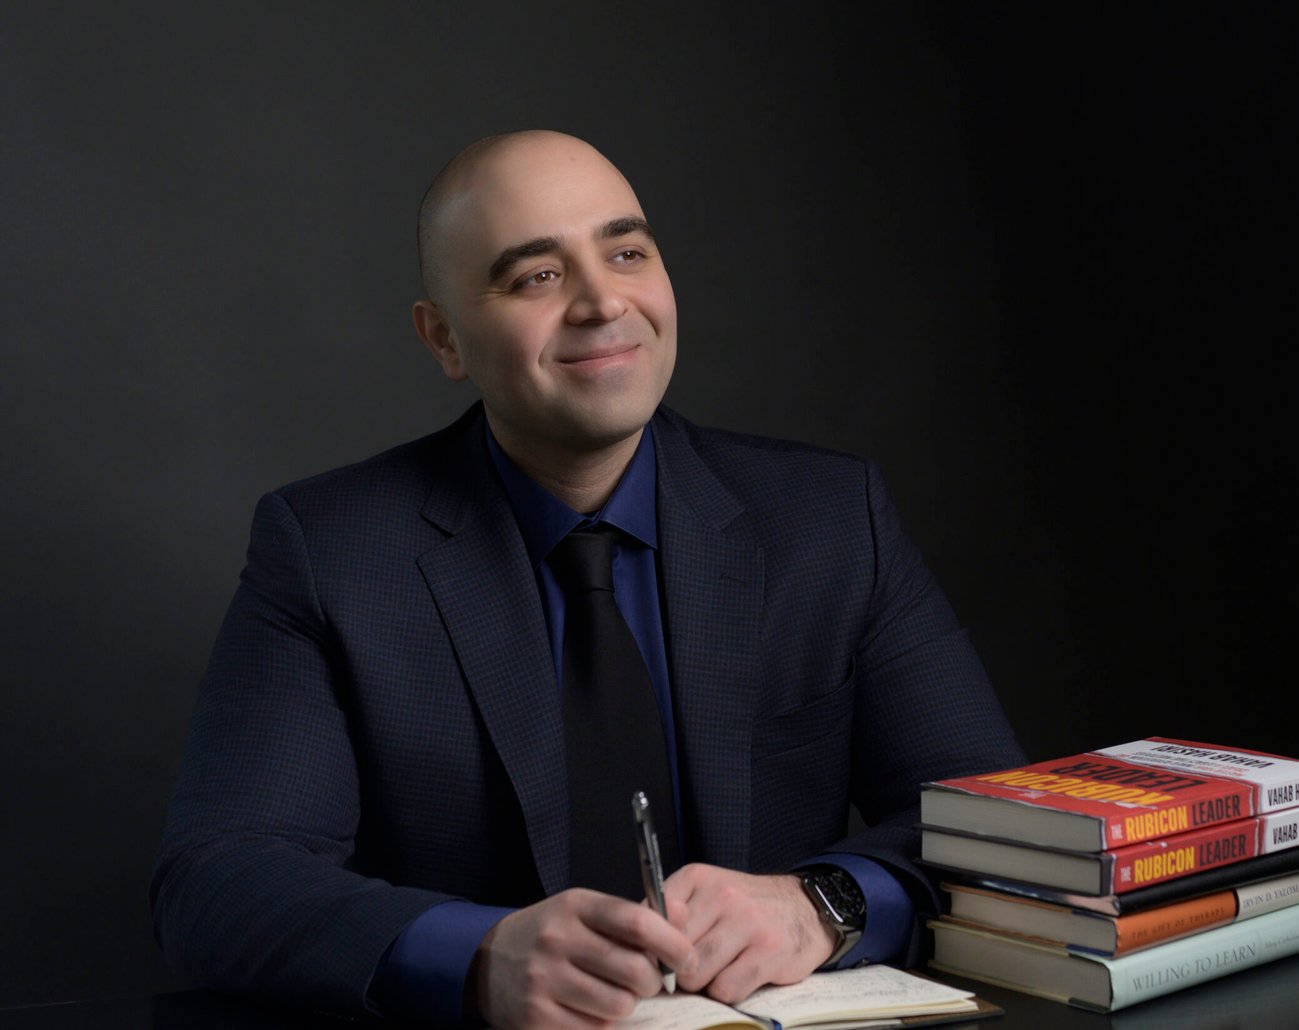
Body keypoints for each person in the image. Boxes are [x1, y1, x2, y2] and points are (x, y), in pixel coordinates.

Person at [151, 129, 1024, 1028]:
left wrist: (821, 904)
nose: (603, 301)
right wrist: (479, 954)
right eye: (537, 275)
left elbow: (1010, 829)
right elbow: (216, 880)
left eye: (627, 253)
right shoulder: (332, 552)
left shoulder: (830, 519)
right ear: (445, 339)